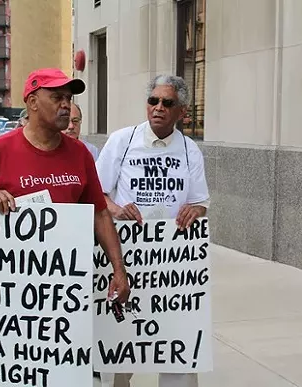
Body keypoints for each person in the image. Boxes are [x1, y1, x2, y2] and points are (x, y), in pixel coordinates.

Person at [0, 67, 130, 304]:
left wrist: (119, 270)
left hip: (67, 288)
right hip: (13, 288)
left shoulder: (80, 154)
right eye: (57, 97)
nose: (66, 105)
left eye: (68, 98)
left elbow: (99, 214)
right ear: (33, 102)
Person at [95, 74, 210, 387]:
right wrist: (117, 209)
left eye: (167, 103)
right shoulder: (122, 140)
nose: (158, 107)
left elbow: (201, 202)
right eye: (153, 101)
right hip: (125, 257)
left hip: (171, 266)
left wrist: (194, 210)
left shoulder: (189, 151)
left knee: (177, 342)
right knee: (119, 343)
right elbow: (96, 194)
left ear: (181, 112)